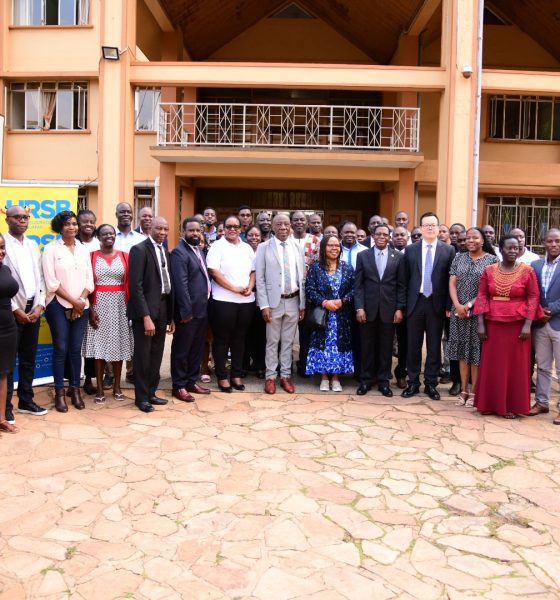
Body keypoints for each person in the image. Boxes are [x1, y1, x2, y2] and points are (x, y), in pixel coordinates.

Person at [475, 234, 543, 418]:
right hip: (493, 324)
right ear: (501, 249)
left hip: (517, 325)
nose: (513, 251)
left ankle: (511, 406)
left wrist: (528, 324)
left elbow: (533, 297)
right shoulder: (489, 270)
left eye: (516, 247)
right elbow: (482, 295)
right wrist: (481, 323)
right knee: (493, 365)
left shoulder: (527, 271)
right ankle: (489, 403)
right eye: (509, 248)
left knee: (515, 367)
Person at [42, 210, 94, 413]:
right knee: (61, 349)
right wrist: (74, 302)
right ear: (59, 227)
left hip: (81, 305)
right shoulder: (51, 249)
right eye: (67, 224)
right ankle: (59, 393)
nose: (72, 227)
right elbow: (52, 283)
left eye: (74, 224)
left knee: (75, 350)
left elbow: (89, 280)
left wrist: (80, 302)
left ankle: (75, 389)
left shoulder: (83, 249)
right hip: (58, 305)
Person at [402, 212, 455, 400]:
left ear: (439, 228)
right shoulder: (411, 250)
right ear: (421, 228)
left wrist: (449, 304)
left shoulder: (448, 250)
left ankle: (430, 384)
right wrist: (403, 305)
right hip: (415, 303)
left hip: (436, 304)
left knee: (434, 347)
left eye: (433, 225)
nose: (430, 228)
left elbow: (451, 280)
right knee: (413, 346)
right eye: (426, 225)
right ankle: (413, 382)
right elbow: (404, 280)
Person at [4, 206, 47, 424]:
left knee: (29, 359)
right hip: (12, 311)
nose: (22, 220)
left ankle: (26, 400)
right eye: (18, 217)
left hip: (33, 310)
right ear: (7, 219)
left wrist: (40, 305)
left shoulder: (32, 245)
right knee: (9, 362)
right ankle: (5, 407)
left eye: (25, 217)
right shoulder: (3, 244)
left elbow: (40, 278)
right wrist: (15, 310)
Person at [128, 217, 175, 413]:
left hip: (163, 309)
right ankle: (141, 398)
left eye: (166, 229)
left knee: (156, 355)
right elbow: (136, 286)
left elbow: (167, 283)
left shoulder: (165, 249)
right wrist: (145, 317)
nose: (162, 232)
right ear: (150, 228)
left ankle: (151, 393)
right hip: (145, 312)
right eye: (159, 228)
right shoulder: (138, 250)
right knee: (143, 356)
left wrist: (171, 316)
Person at [82, 224, 133, 404]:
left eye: (111, 233)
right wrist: (90, 309)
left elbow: (129, 284)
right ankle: (101, 388)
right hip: (98, 305)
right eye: (105, 233)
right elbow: (86, 285)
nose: (109, 236)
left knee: (118, 345)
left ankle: (118, 386)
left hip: (120, 305)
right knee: (99, 347)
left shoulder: (125, 256)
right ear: (98, 236)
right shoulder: (91, 257)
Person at [447, 227, 498, 407]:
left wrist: (469, 305)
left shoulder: (492, 261)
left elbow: (489, 289)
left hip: (479, 313)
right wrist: (458, 305)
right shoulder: (458, 258)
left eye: (475, 237)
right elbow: (452, 283)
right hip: (458, 313)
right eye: (468, 238)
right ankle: (463, 391)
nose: (470, 241)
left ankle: (475, 392)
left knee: (475, 353)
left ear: (483, 240)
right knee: (461, 351)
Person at [256, 214, 305, 394]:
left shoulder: (298, 247)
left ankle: (285, 376)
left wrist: (302, 304)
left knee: (288, 342)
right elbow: (260, 278)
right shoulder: (263, 247)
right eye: (279, 224)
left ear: (290, 226)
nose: (283, 227)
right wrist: (264, 305)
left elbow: (302, 277)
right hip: (273, 302)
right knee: (272, 341)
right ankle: (270, 377)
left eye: (286, 224)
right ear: (273, 227)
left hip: (293, 300)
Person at [355, 224, 406, 397]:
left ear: (389, 237)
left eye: (385, 234)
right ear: (373, 236)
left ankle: (384, 381)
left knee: (386, 348)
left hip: (389, 309)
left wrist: (399, 308)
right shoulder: (363, 256)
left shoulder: (398, 257)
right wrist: (359, 307)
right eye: (379, 234)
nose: (382, 237)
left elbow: (401, 286)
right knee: (367, 346)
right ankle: (366, 380)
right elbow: (359, 285)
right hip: (367, 309)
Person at [207, 215, 256, 392]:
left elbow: (253, 270)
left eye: (236, 227)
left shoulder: (247, 248)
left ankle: (236, 375)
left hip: (246, 301)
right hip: (223, 301)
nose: (233, 229)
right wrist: (234, 288)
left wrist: (250, 287)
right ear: (224, 228)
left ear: (241, 229)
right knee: (222, 340)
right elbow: (214, 272)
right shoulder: (217, 247)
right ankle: (222, 376)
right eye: (229, 226)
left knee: (239, 339)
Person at [169, 217, 211, 403]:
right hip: (188, 312)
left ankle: (191, 381)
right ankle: (178, 385)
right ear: (183, 232)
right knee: (182, 349)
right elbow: (181, 284)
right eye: (191, 230)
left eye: (197, 230)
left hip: (202, 309)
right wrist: (185, 312)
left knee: (196, 348)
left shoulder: (198, 250)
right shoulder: (179, 253)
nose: (195, 233)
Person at [305, 236, 354, 392]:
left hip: (341, 315)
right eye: (330, 245)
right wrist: (325, 302)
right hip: (323, 314)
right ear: (323, 248)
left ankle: (336, 377)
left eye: (337, 245)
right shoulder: (316, 268)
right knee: (324, 346)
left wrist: (342, 300)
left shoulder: (347, 267)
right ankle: (324, 377)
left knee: (338, 346)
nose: (334, 248)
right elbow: (310, 290)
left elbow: (354, 289)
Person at [529, 228, 560, 423]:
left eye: (557, 241)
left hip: (558, 322)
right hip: (540, 324)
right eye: (550, 241)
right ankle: (541, 402)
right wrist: (539, 311)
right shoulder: (535, 265)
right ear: (544, 243)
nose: (554, 244)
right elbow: (532, 293)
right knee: (542, 366)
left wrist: (551, 310)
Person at [77, 209, 100, 396]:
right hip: (74, 297)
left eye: (92, 221)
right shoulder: (72, 242)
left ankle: (89, 379)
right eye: (85, 221)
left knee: (91, 342)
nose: (89, 225)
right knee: (75, 343)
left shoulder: (98, 244)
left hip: (94, 296)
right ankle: (72, 381)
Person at [340, 220, 366, 377]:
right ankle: (341, 370)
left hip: (358, 299)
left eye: (352, 232)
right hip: (339, 299)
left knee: (359, 336)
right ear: (341, 234)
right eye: (346, 232)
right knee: (341, 335)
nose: (349, 235)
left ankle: (358, 370)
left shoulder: (365, 251)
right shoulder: (335, 249)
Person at [0, 234, 20, 434]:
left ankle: (2, 418)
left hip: (7, 327)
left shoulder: (5, 269)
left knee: (4, 372)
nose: (1, 252)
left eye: (2, 247)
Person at [243, 225, 266, 379]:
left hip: (261, 297)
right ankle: (243, 365)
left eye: (257, 235)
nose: (254, 238)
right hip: (243, 296)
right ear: (246, 236)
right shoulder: (241, 249)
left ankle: (260, 366)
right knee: (244, 333)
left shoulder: (265, 250)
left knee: (260, 334)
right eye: (251, 235)